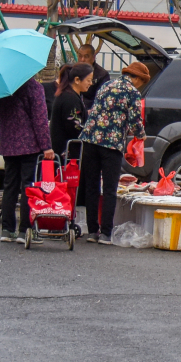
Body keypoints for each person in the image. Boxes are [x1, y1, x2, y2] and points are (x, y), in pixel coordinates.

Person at [75, 60, 146, 243]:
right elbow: (135, 121)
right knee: (109, 188)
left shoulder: (106, 85)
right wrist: (141, 135)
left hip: (90, 139)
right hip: (111, 143)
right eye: (141, 82)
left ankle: (92, 231)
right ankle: (106, 233)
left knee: (91, 186)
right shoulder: (132, 92)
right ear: (137, 78)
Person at [0, 73, 53, 245]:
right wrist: (46, 146)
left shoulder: (3, 89)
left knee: (9, 186)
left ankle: (7, 229)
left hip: (8, 144)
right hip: (29, 145)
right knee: (28, 187)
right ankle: (25, 230)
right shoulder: (34, 87)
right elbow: (40, 119)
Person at [50, 63, 93, 154]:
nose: (91, 83)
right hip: (66, 153)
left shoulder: (69, 95)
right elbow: (75, 127)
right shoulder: (70, 99)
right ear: (77, 80)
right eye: (88, 80)